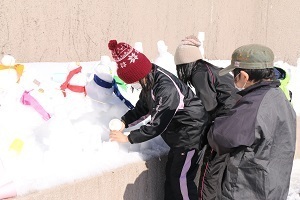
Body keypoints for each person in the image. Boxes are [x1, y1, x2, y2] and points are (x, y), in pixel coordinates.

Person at [107, 39, 209, 200]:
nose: (133, 86)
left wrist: (129, 138)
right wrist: (124, 122)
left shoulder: (166, 88)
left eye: (132, 82)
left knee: (180, 179)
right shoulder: (150, 79)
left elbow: (158, 124)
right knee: (172, 178)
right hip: (179, 136)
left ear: (139, 76)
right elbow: (143, 107)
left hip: (191, 136)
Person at [207, 44, 296, 199]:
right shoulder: (280, 97)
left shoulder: (253, 105)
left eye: (235, 75)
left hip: (248, 189)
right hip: (274, 188)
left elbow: (220, 137)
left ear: (244, 76)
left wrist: (217, 122)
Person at [174, 35, 240, 200]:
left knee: (209, 174)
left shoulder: (199, 73)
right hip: (236, 124)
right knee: (221, 175)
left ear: (184, 65)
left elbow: (207, 107)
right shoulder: (210, 69)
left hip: (224, 127)